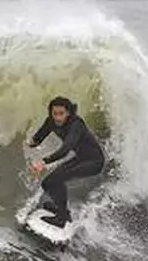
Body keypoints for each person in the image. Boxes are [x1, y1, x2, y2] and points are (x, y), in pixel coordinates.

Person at [25, 96, 105, 228]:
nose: (57, 118)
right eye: (54, 113)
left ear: (68, 113)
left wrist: (43, 162)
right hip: (80, 158)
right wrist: (31, 142)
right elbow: (39, 138)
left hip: (94, 162)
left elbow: (66, 149)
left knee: (57, 180)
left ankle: (61, 218)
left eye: (61, 114)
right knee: (47, 183)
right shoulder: (51, 121)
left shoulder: (76, 124)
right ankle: (63, 211)